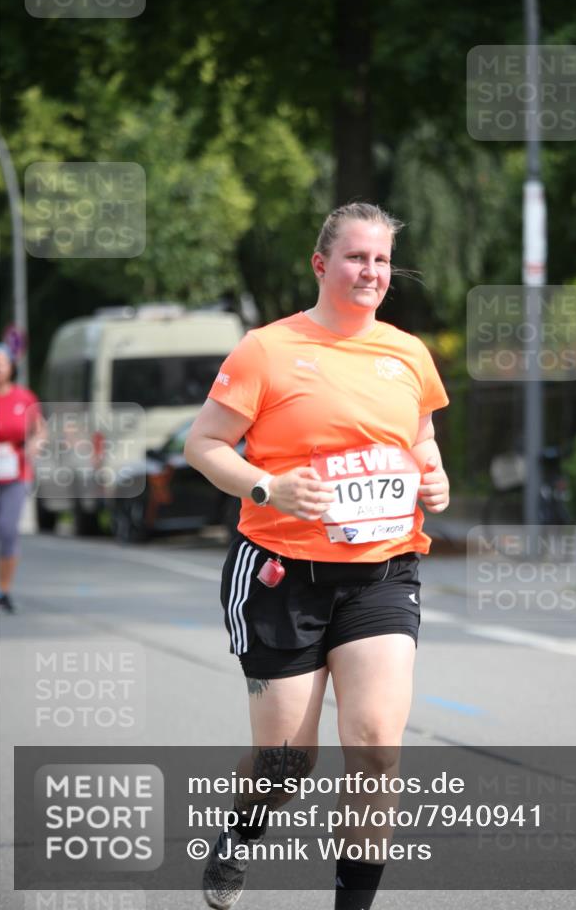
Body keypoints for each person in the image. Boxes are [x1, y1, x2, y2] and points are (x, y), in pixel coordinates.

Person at [184, 202, 450, 910]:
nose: (371, 272)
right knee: (286, 764)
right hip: (280, 573)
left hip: (383, 572)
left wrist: (434, 473)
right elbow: (203, 447)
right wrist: (267, 485)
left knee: (373, 745)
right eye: (357, 257)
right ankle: (241, 835)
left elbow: (418, 441)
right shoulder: (265, 350)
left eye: (382, 260)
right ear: (321, 264)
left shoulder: (407, 354)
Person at [0, 343, 46, 613]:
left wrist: (35, 443)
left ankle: (3, 591)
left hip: (15, 474)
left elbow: (40, 430)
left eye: (0, 362)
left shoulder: (24, 398)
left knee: (7, 530)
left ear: (11, 366)